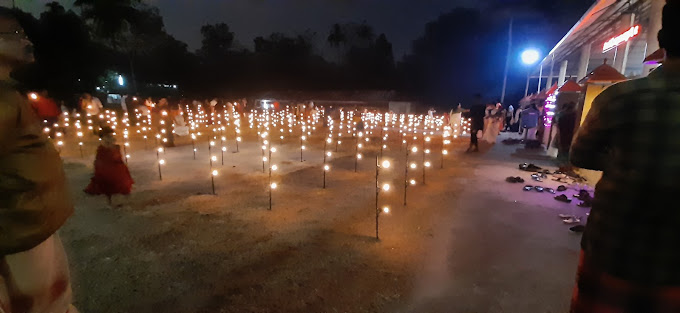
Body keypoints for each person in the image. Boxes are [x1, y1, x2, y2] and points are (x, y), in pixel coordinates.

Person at [569, 2, 680, 312]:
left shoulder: (619, 97)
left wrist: (626, 166)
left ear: (662, 40)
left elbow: (579, 153)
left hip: (614, 250)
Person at [0, 8, 78, 313]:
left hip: (31, 226)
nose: (27, 40)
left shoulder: (10, 94)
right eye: (15, 33)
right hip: (18, 234)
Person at [84, 127, 134, 205]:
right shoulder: (103, 147)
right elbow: (103, 158)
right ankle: (111, 200)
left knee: (118, 181)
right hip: (108, 166)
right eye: (109, 134)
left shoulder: (113, 144)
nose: (111, 136)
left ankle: (117, 199)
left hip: (115, 165)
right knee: (109, 183)